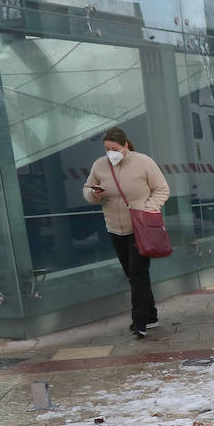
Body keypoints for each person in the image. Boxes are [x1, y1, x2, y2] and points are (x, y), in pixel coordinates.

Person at [83, 127, 170, 338]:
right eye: (107, 149)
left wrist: (149, 207)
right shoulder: (99, 166)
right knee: (133, 274)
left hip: (139, 227)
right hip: (115, 228)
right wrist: (95, 194)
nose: (110, 153)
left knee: (138, 274)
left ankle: (138, 322)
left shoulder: (143, 162)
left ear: (125, 146)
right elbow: (87, 189)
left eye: (114, 148)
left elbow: (162, 189)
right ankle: (151, 316)